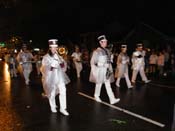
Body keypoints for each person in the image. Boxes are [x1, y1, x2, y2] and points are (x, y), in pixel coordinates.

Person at [40, 39, 70, 115]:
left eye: (56, 47)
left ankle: (63, 108)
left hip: (60, 76)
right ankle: (53, 106)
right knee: (52, 93)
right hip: (51, 77)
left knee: (63, 91)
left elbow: (64, 67)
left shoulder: (59, 56)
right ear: (50, 48)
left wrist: (62, 62)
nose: (55, 49)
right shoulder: (46, 57)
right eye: (53, 47)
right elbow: (44, 69)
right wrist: (52, 65)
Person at [89, 35, 120, 104]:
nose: (106, 43)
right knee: (99, 83)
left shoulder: (107, 50)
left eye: (106, 41)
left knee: (107, 84)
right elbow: (92, 62)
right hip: (101, 70)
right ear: (101, 42)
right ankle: (96, 95)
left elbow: (108, 60)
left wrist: (111, 58)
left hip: (107, 70)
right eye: (105, 42)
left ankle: (112, 99)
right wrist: (102, 64)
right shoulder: (97, 51)